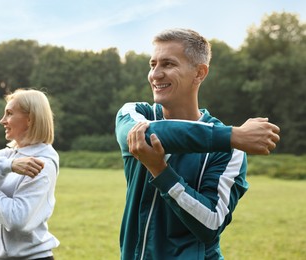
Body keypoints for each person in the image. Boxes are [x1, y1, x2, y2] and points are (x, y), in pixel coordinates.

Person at [115, 28, 280, 260]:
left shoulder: (230, 151)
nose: (155, 74)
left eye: (168, 64)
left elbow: (211, 225)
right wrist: (232, 135)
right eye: (153, 64)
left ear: (199, 73)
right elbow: (145, 135)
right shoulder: (133, 113)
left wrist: (161, 172)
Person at [0, 89, 59, 260]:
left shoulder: (41, 164)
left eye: (9, 113)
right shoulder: (9, 154)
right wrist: (10, 166)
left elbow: (17, 219)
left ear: (30, 119)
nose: (2, 121)